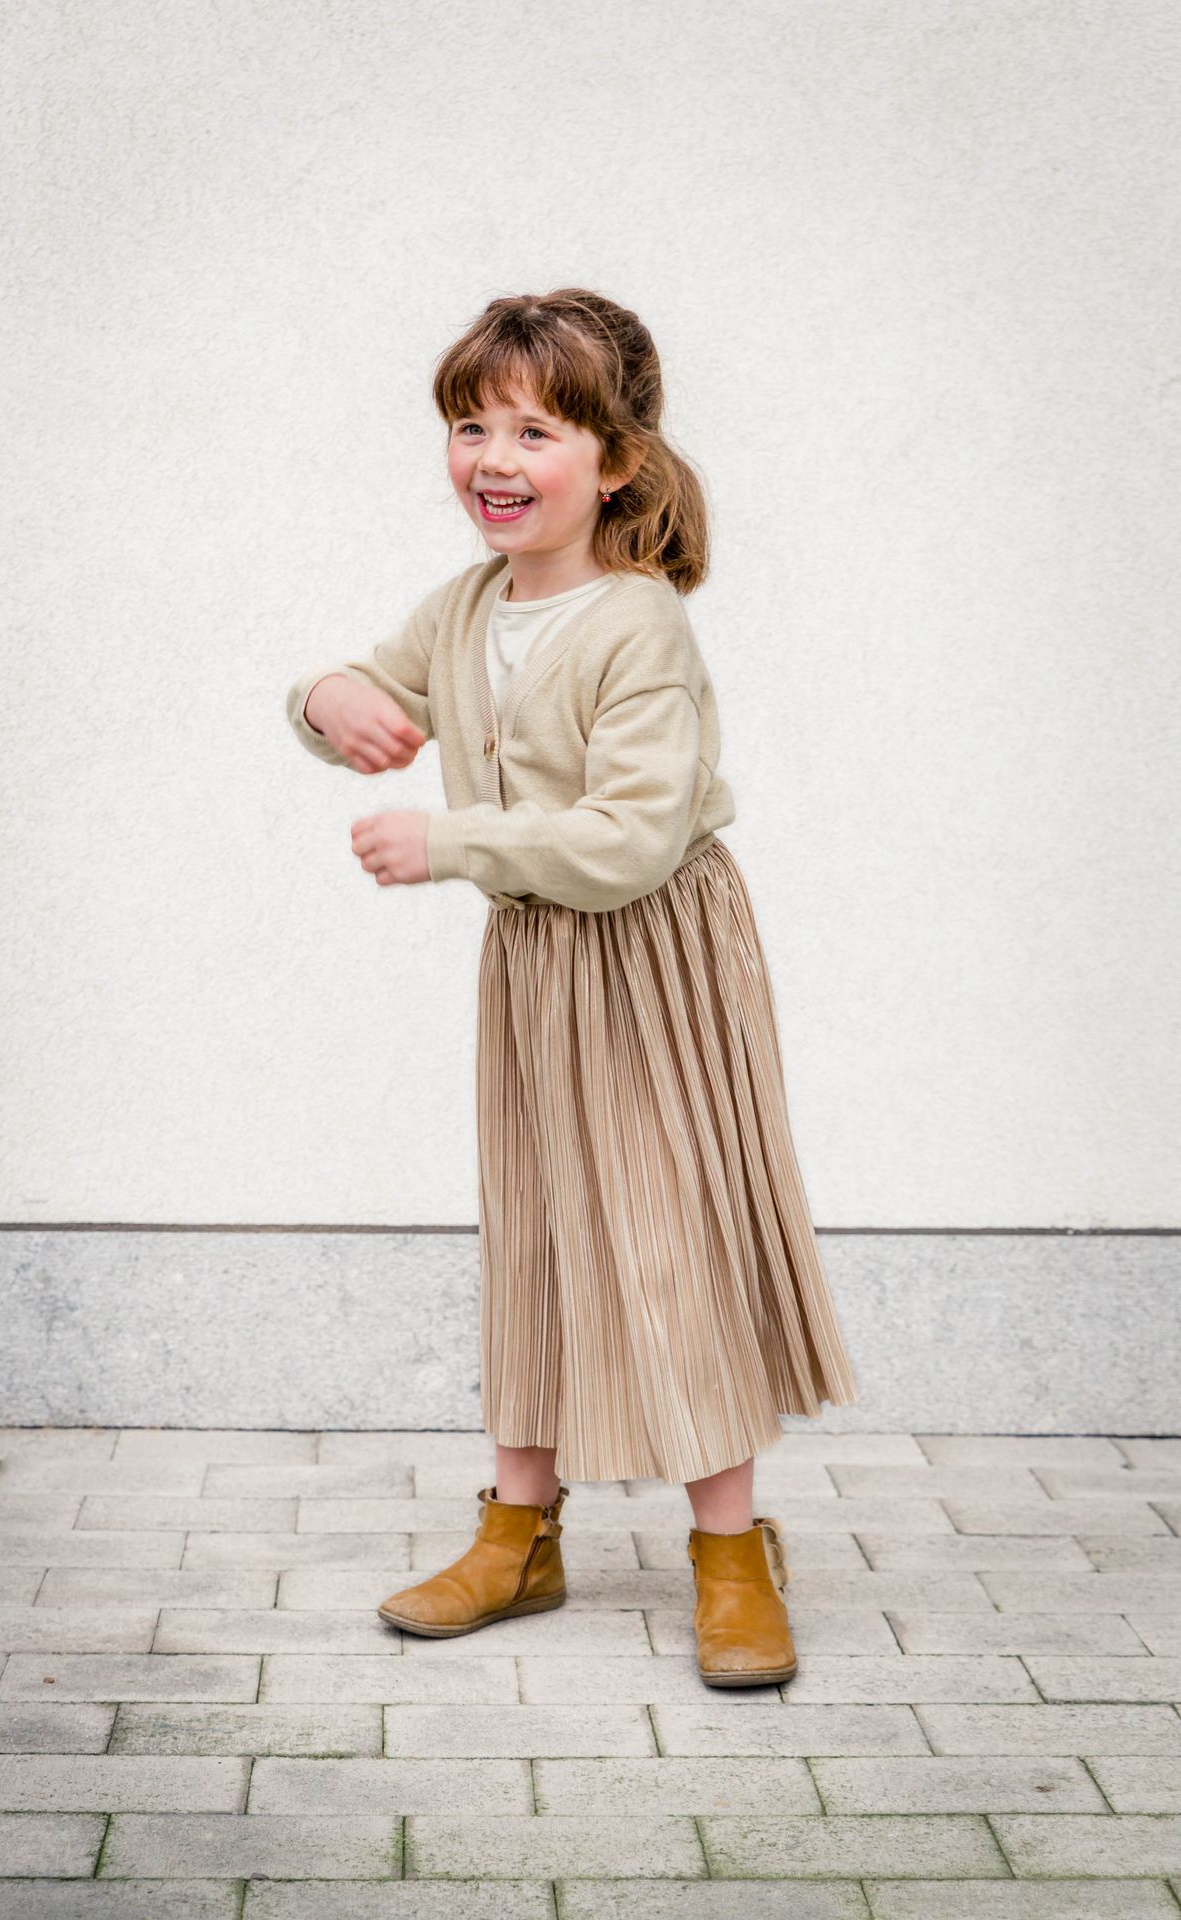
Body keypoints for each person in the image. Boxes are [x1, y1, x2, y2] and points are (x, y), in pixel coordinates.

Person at [285, 287, 860, 1687]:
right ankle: (521, 1530)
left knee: (667, 1233)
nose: (494, 454)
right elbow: (379, 686)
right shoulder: (470, 604)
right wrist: (321, 701)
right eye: (471, 424)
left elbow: (629, 838)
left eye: (536, 428)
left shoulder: (637, 624)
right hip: (538, 959)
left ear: (616, 461)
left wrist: (449, 840)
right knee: (537, 1232)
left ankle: (731, 1548)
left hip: (651, 951)